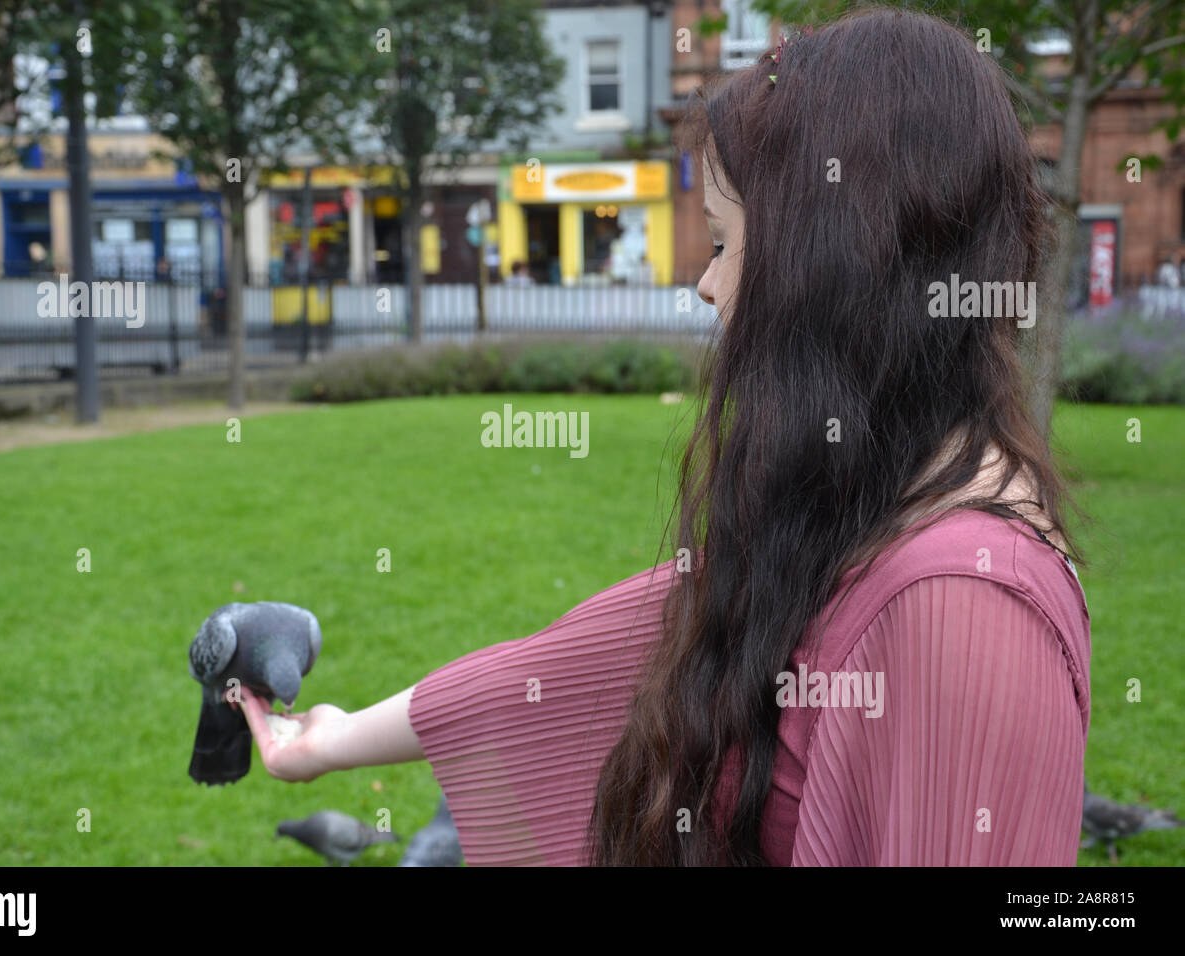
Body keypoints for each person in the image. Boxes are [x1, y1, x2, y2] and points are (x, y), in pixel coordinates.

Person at [236, 7, 1092, 866]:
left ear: (830, 263)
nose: (706, 284)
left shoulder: (961, 604)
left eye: (723, 242)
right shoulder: (874, 512)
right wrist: (333, 739)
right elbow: (585, 662)